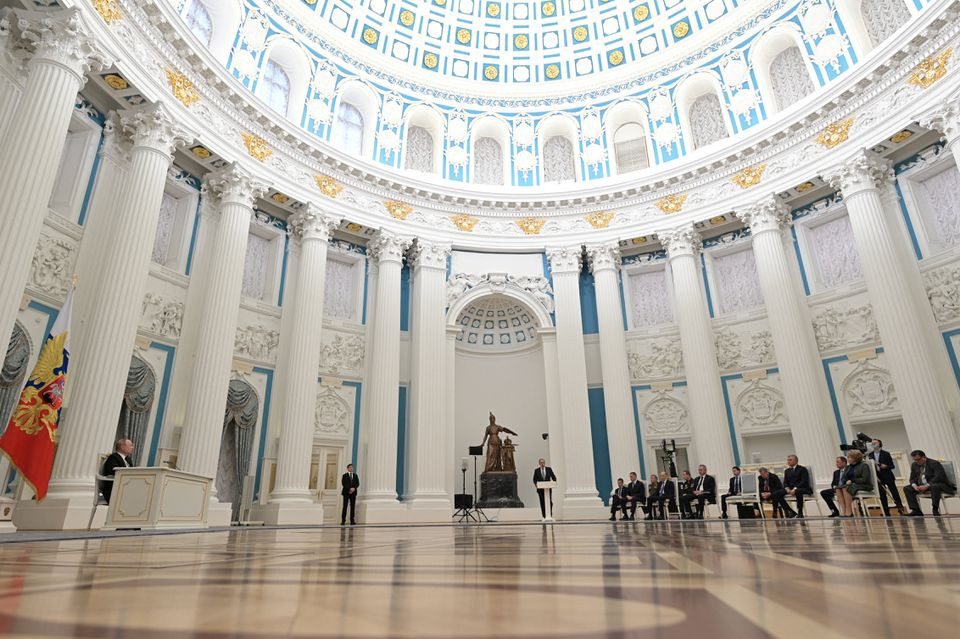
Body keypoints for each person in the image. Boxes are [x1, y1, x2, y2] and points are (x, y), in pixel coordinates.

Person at [903, 450, 956, 517]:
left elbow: (939, 477)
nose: (917, 462)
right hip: (921, 485)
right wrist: (914, 485)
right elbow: (912, 478)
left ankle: (935, 509)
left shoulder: (934, 463)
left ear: (924, 457)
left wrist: (927, 485)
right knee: (907, 488)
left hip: (937, 484)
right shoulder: (914, 465)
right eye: (914, 460)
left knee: (934, 486)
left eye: (918, 459)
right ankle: (916, 510)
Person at [869, 439, 904, 516]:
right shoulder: (870, 455)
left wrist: (886, 466)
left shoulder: (886, 454)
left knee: (894, 492)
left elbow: (892, 466)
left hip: (888, 476)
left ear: (880, 444)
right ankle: (885, 511)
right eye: (872, 442)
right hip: (878, 477)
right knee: (882, 494)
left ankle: (900, 508)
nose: (873, 443)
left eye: (875, 442)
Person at [836, 449, 872, 517]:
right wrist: (845, 481)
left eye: (849, 457)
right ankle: (844, 511)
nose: (848, 459)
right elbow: (843, 478)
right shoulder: (848, 467)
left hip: (863, 485)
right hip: (851, 485)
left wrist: (852, 481)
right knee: (838, 489)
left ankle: (849, 512)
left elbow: (865, 479)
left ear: (855, 458)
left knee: (845, 488)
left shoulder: (864, 466)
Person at [100, 438, 134, 504]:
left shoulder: (128, 459)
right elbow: (113, 472)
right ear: (122, 447)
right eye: (130, 445)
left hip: (126, 489)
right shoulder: (113, 458)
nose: (132, 447)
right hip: (114, 490)